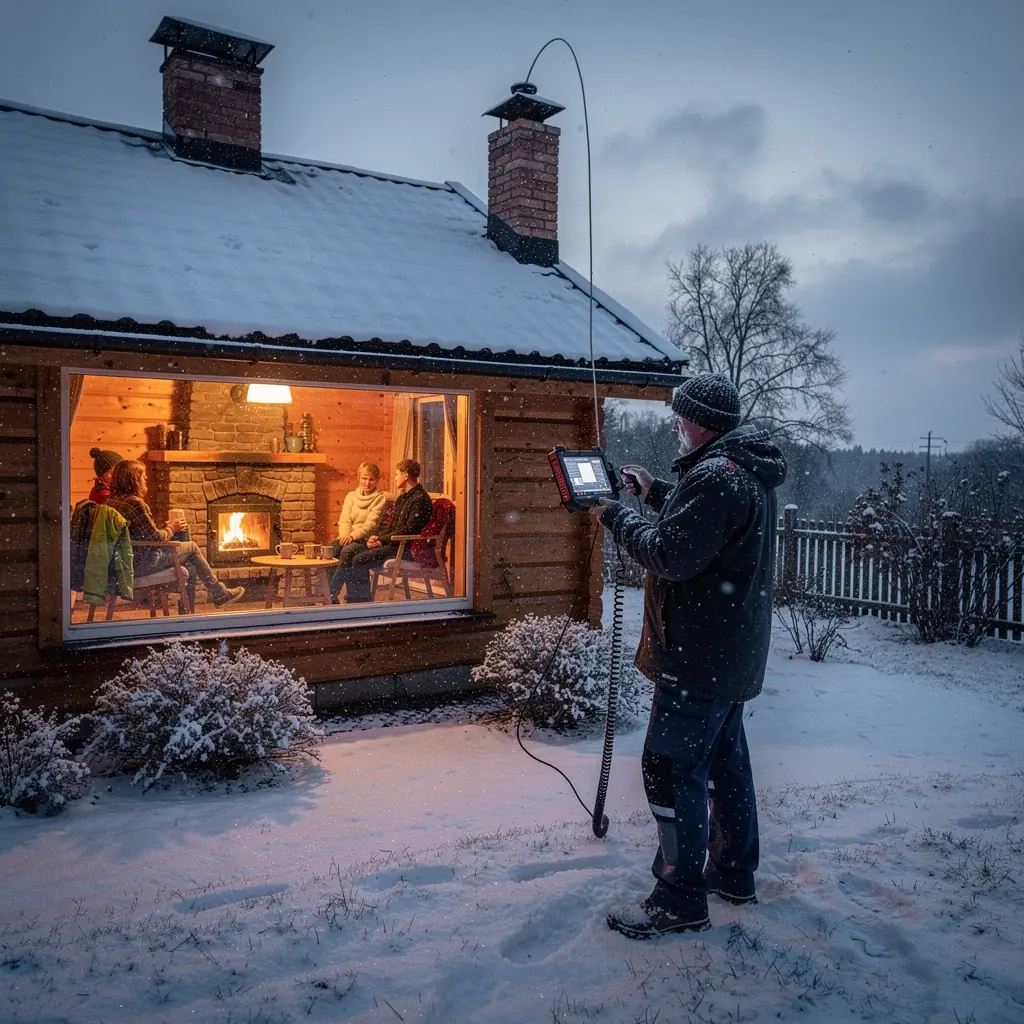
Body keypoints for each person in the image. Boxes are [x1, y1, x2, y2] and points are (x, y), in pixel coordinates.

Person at [590, 373, 787, 939]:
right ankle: (732, 874)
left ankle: (679, 898)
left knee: (672, 767)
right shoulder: (740, 470)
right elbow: (706, 529)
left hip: (697, 657)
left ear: (701, 423)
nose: (675, 424)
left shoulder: (718, 478)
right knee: (725, 767)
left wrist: (612, 513)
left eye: (681, 416)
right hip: (728, 656)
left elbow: (670, 553)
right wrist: (653, 493)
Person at [105, 460, 245, 609]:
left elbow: (142, 534)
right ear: (134, 480)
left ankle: (191, 605)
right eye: (144, 477)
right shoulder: (135, 504)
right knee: (191, 547)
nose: (146, 480)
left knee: (184, 536)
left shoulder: (111, 502)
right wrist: (172, 528)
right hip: (142, 563)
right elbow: (156, 538)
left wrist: (170, 529)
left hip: (123, 561)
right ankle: (217, 593)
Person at [331, 458, 432, 603]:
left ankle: (357, 600)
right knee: (338, 550)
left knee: (358, 557)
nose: (395, 478)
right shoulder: (402, 498)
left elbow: (408, 530)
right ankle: (348, 598)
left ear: (405, 476)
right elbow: (393, 528)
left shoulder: (420, 499)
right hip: (394, 544)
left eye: (397, 474)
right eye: (364, 478)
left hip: (406, 549)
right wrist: (378, 539)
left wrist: (380, 539)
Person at [329, 461, 388, 602]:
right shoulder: (351, 496)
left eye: (371, 479)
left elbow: (371, 525)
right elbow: (345, 520)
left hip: (366, 539)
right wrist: (345, 536)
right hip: (348, 537)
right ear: (359, 478)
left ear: (377, 480)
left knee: (347, 551)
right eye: (364, 478)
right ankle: (328, 592)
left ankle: (331, 593)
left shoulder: (380, 499)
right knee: (331, 548)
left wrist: (353, 536)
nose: (367, 483)